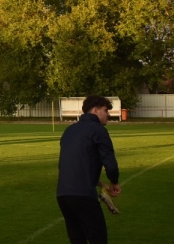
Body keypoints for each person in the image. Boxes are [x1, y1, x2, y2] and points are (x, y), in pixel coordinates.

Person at [57, 95, 121, 244]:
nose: (108, 115)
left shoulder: (69, 131)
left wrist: (101, 184)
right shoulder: (98, 130)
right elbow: (110, 163)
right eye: (106, 110)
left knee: (77, 238)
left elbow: (71, 165)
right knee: (98, 238)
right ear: (96, 110)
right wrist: (114, 182)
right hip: (83, 194)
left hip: (63, 194)